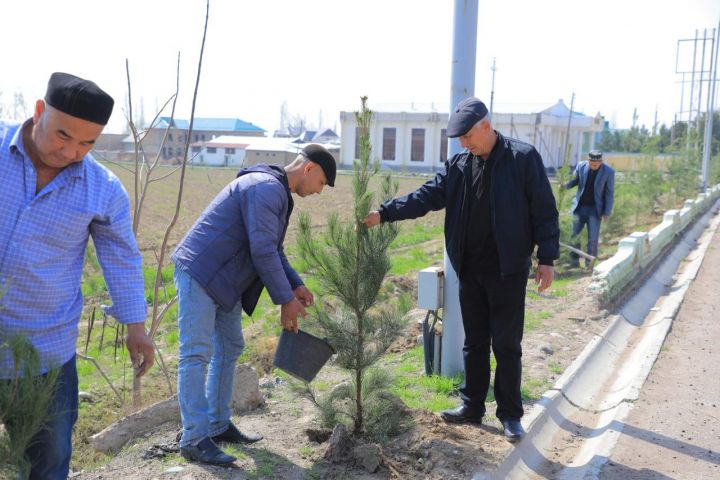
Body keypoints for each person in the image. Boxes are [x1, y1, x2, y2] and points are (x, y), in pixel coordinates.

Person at [362, 97, 559, 442]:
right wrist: (385, 213)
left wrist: (547, 258)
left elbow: (544, 210)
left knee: (507, 345)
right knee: (475, 342)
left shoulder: (522, 158)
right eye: (460, 139)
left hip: (508, 270)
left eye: (468, 136)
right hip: (470, 269)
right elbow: (426, 196)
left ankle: (510, 415)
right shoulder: (459, 165)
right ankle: (472, 405)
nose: (464, 144)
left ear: (486, 126)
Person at [0, 72, 155, 479]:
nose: (71, 152)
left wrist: (136, 326)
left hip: (45, 349)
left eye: (87, 143)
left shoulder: (102, 189)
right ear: (39, 112)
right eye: (63, 135)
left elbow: (121, 257)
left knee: (48, 460)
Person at [171, 144, 336, 465]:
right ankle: (194, 438)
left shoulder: (275, 190)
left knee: (230, 345)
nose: (319, 191)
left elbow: (272, 248)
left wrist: (295, 284)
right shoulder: (265, 188)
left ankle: (218, 424)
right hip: (201, 271)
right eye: (321, 183)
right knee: (195, 353)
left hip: (224, 279)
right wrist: (285, 300)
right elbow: (262, 250)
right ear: (309, 169)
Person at [563, 150, 615, 268]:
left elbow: (609, 193)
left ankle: (589, 264)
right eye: (592, 163)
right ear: (588, 161)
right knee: (574, 235)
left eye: (596, 164)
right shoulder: (581, 167)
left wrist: (607, 212)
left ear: (601, 162)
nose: (594, 166)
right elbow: (574, 181)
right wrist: (564, 186)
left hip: (595, 210)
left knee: (592, 238)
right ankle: (574, 262)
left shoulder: (609, 172)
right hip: (579, 207)